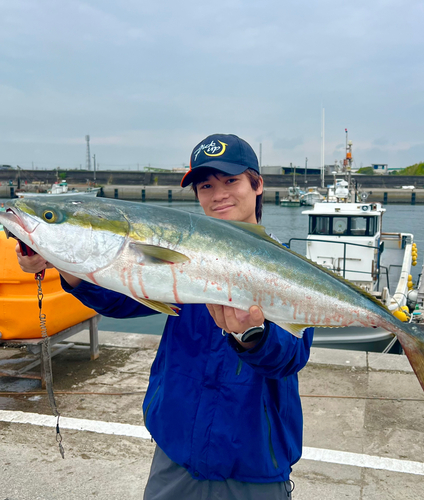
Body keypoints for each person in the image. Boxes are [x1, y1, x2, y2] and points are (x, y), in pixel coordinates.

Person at [16, 133, 314, 499]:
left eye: (231, 181)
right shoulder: (181, 248)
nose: (218, 193)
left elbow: (290, 357)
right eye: (206, 185)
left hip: (255, 466)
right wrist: (67, 267)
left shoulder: (288, 268)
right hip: (176, 456)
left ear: (258, 185)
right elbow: (125, 301)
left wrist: (250, 336)